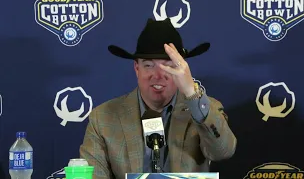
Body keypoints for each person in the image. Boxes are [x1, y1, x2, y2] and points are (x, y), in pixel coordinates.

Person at [79, 18, 237, 179]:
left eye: (168, 65)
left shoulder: (204, 111)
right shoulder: (103, 118)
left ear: (182, 70)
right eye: (149, 65)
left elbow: (223, 151)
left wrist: (191, 92)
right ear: (137, 68)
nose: (158, 75)